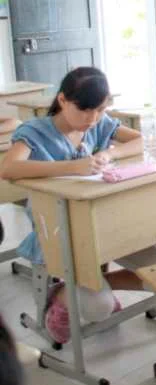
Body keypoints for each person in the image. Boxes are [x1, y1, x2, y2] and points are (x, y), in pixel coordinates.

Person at [0, 67, 147, 344]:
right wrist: (71, 166)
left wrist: (107, 152)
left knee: (152, 262)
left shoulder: (99, 123)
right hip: (56, 224)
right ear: (64, 100)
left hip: (99, 215)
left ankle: (88, 286)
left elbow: (140, 141)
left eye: (100, 110)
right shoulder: (36, 131)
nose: (92, 119)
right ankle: (59, 295)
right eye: (84, 110)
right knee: (99, 308)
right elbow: (8, 169)